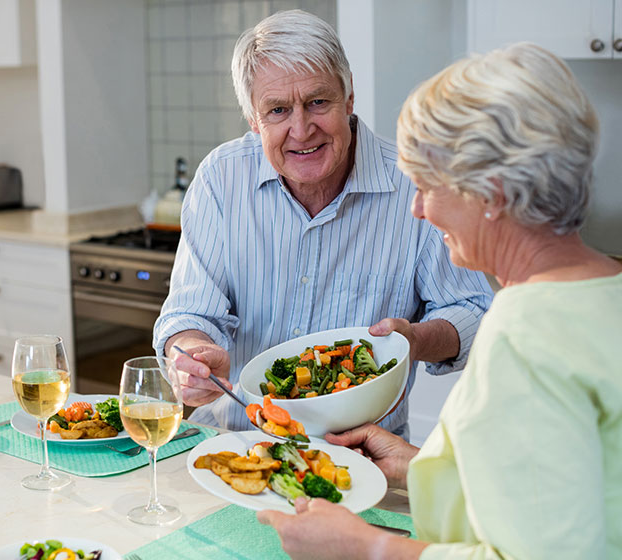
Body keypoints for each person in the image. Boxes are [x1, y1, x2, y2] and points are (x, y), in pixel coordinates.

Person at [257, 42, 622, 559]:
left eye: (428, 184)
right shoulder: (604, 289)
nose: (418, 209)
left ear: (491, 194)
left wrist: (366, 548)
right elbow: (574, 483)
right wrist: (420, 462)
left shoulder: (525, 333)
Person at [153, 9, 492, 438]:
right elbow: (188, 312)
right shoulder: (221, 178)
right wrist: (195, 356)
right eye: (277, 110)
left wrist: (413, 340)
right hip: (235, 443)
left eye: (317, 102)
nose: (301, 129)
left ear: (348, 97)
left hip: (364, 457)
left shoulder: (415, 184)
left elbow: (474, 312)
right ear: (255, 121)